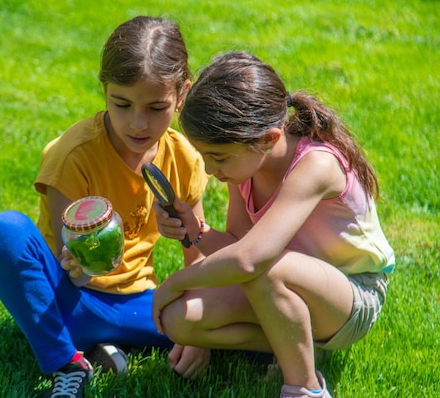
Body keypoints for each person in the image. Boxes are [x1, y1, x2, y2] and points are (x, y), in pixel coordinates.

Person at [0, 16, 210, 398]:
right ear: (104, 90)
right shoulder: (73, 155)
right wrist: (82, 263)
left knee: (236, 320)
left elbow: (197, 257)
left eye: (156, 108)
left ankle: (93, 343)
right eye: (121, 104)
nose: (138, 123)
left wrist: (200, 332)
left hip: (138, 303)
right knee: (6, 230)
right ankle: (66, 361)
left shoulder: (183, 157)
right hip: (69, 297)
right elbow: (76, 270)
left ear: (182, 93)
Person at [151, 51, 395, 398]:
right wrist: (196, 230)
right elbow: (238, 243)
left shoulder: (316, 166)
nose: (208, 170)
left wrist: (172, 284)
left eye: (217, 157)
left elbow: (250, 259)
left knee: (264, 267)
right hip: (285, 280)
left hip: (353, 296)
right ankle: (297, 343)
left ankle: (305, 388)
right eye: (204, 157)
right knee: (179, 319)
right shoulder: (244, 169)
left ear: (269, 138)